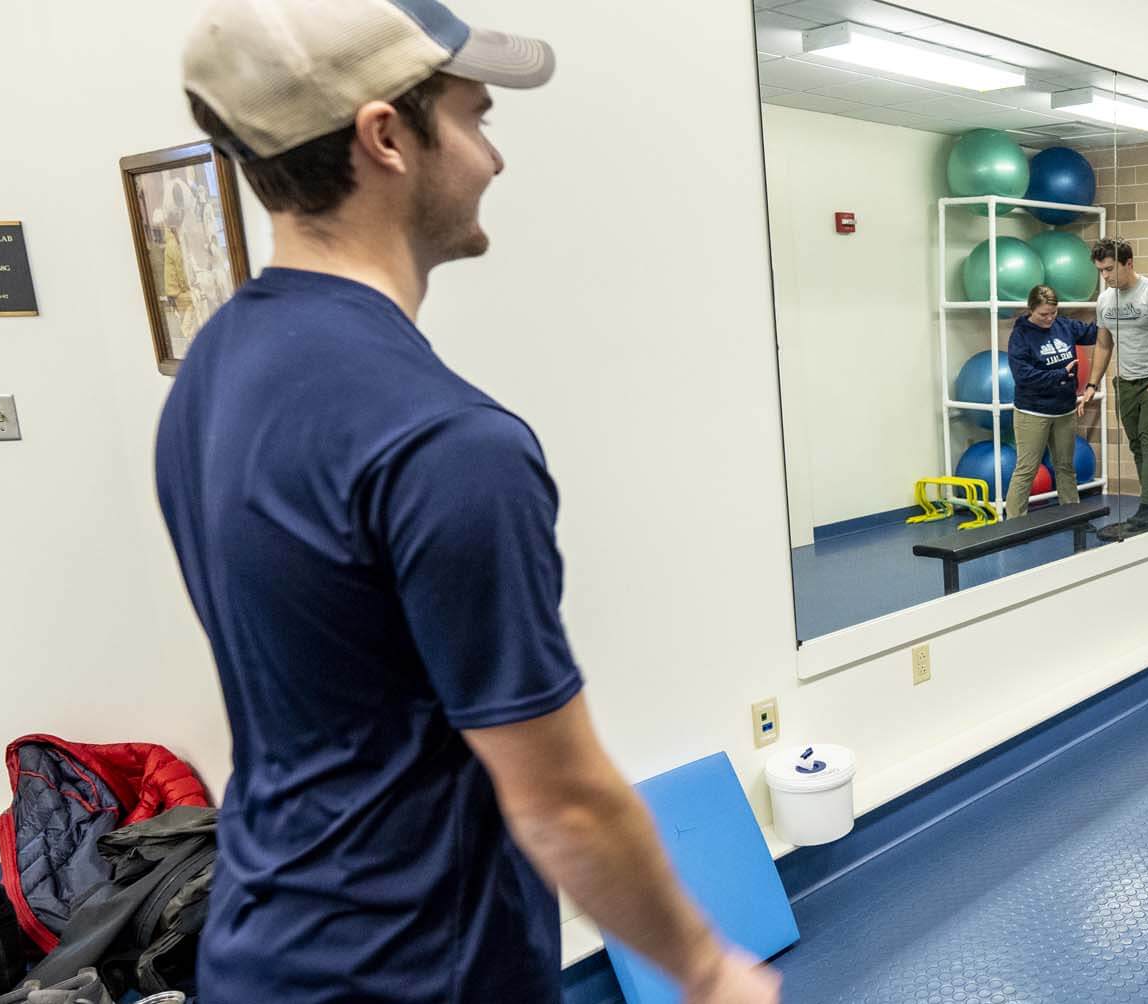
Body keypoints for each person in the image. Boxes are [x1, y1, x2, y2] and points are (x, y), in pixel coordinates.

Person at [156, 3, 779, 1001]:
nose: (495, 159)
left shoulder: (213, 368)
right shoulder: (446, 441)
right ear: (387, 137)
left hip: (259, 946)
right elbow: (563, 799)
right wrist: (706, 967)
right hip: (412, 971)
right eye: (477, 118)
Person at [1080, 238, 1148, 539]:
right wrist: (1091, 384)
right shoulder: (1105, 301)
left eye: (1110, 269)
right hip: (1125, 382)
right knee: (1136, 443)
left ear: (1129, 263)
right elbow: (1103, 344)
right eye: (1101, 271)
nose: (1106, 276)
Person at [1004, 284, 1101, 518]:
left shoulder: (1064, 325)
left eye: (1053, 313)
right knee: (1026, 469)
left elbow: (1094, 333)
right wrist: (1059, 375)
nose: (1049, 318)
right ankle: (1014, 524)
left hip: (1063, 411)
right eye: (1043, 314)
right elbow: (1023, 376)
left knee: (1066, 468)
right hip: (1033, 412)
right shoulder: (1021, 335)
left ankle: (1073, 516)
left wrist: (1113, 315)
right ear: (1030, 310)